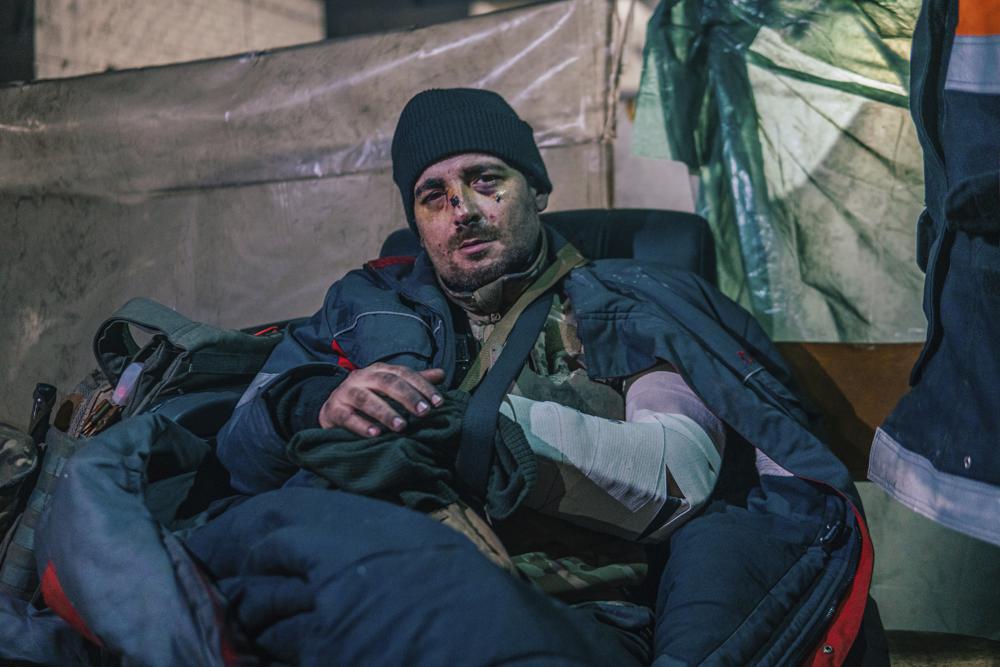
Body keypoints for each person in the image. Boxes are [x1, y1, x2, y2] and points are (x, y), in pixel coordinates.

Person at [210, 88, 885, 665]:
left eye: (485, 180)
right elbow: (238, 447)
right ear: (416, 221)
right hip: (355, 586)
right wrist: (314, 402)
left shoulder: (630, 306)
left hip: (562, 614)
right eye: (433, 195)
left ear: (535, 187)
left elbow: (673, 475)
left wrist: (477, 432)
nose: (462, 210)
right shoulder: (365, 303)